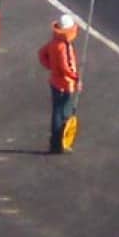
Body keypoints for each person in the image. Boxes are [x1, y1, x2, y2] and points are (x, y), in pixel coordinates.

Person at [37, 13, 82, 153]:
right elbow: (66, 66)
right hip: (65, 84)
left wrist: (50, 66)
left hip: (55, 81)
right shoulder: (64, 47)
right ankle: (59, 142)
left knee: (57, 111)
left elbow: (42, 54)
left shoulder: (53, 43)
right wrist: (76, 78)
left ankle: (55, 143)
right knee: (64, 113)